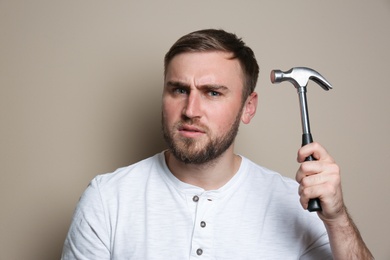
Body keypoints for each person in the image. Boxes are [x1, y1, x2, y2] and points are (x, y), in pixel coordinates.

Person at [61, 29, 373, 259]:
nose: (190, 110)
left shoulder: (297, 205)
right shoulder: (107, 200)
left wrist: (337, 219)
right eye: (179, 90)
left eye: (213, 92)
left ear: (248, 107)